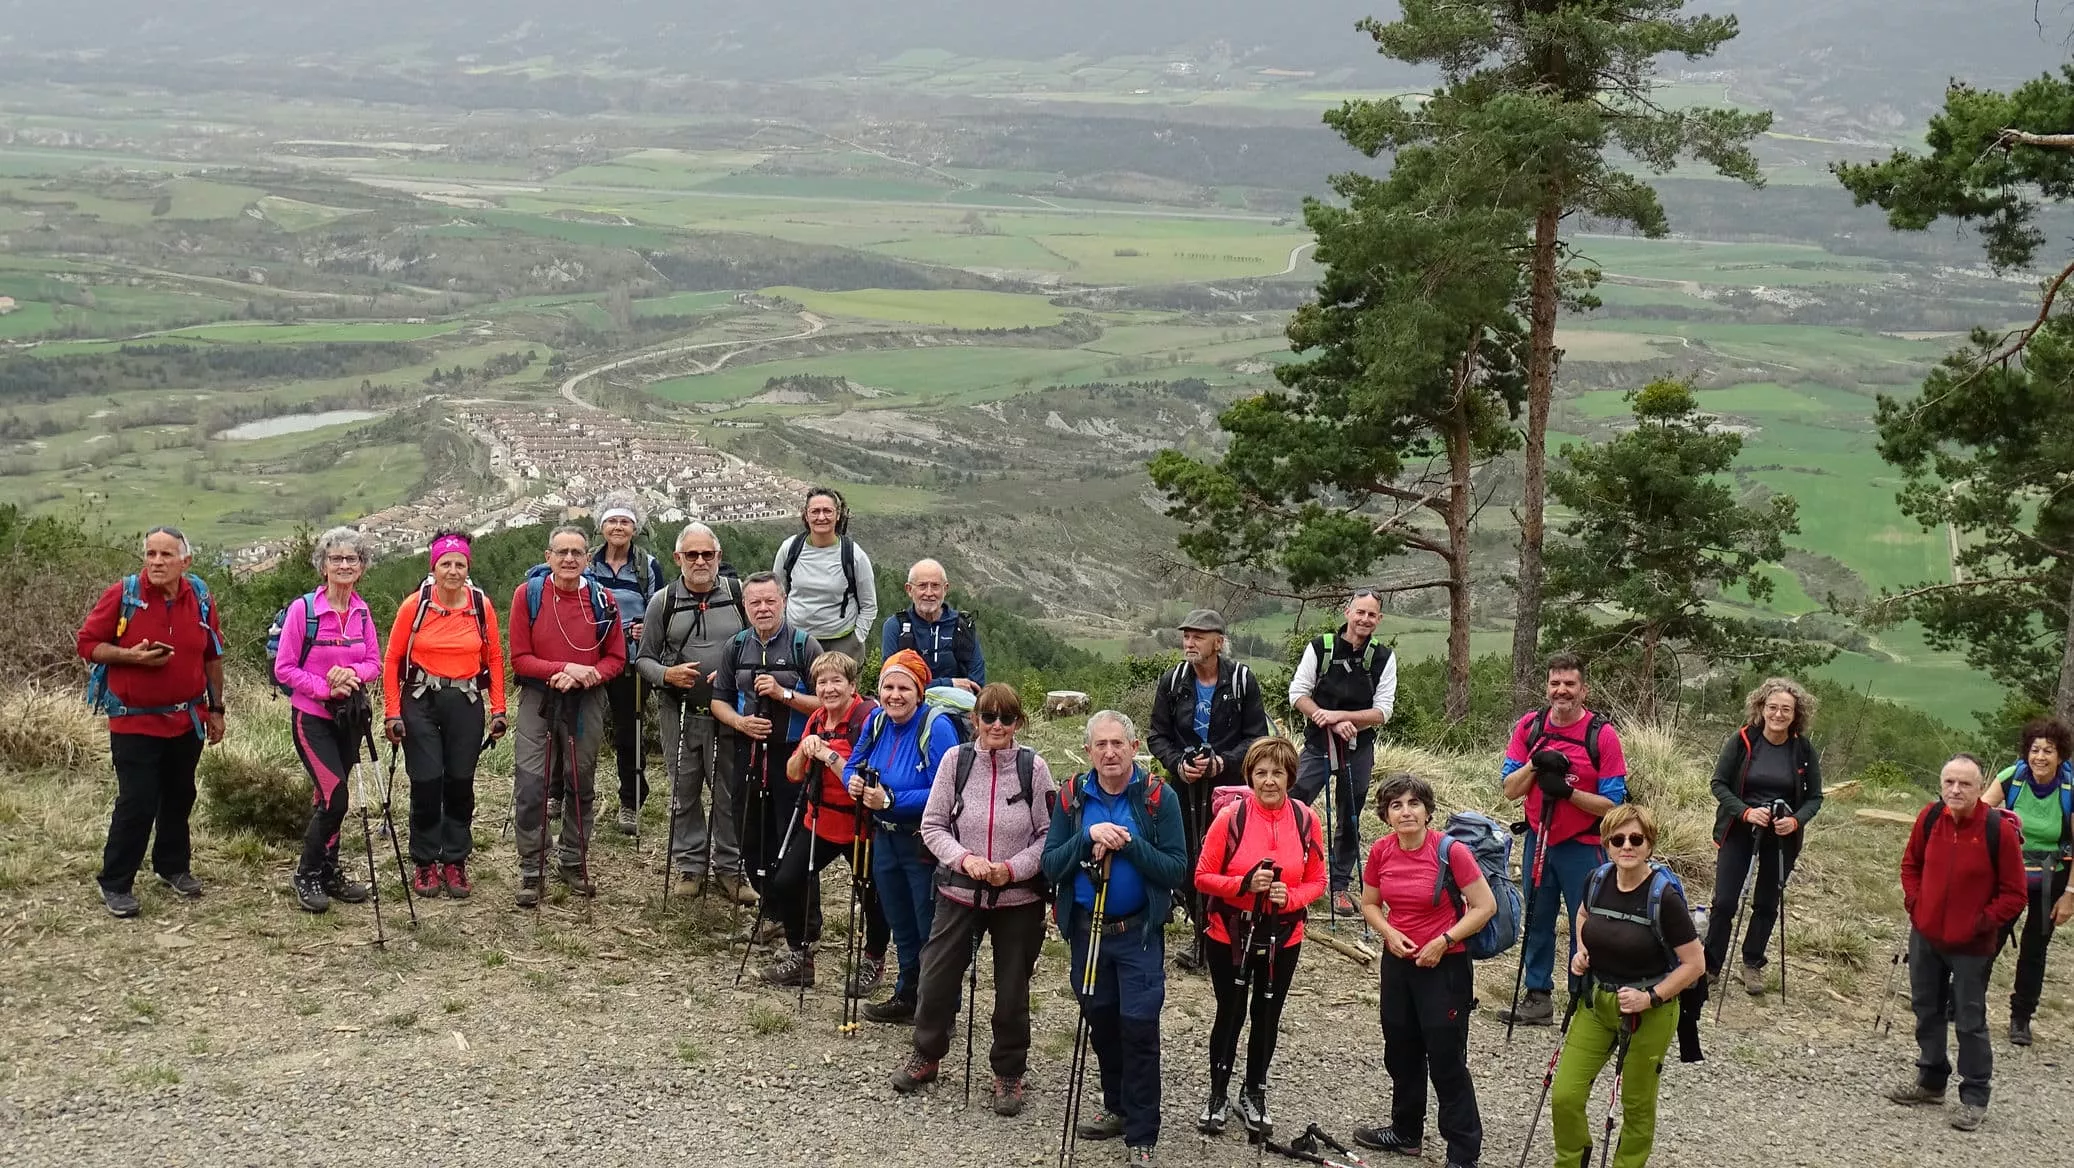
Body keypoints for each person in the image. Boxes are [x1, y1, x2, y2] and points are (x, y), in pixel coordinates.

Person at [891, 683, 1058, 1114]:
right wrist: (966, 860)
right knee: (937, 978)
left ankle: (1008, 1073)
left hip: (1018, 898)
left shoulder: (1034, 767)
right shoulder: (955, 761)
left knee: (1012, 990)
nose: (997, 725)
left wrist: (1012, 869)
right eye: (988, 716)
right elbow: (933, 826)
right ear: (975, 720)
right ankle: (926, 1055)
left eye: (1007, 717)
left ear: (1019, 722)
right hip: (958, 892)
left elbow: (1048, 835)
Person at [1044, 710, 1188, 1167]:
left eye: (1118, 744)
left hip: (1137, 933)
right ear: (1088, 751)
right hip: (1088, 932)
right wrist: (1087, 837)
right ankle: (1118, 1106)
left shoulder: (1157, 798)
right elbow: (1051, 865)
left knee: (1139, 1028)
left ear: (1133, 748)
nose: (1109, 752)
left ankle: (1142, 1133)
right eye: (1100, 745)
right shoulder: (1071, 798)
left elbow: (1176, 869)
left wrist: (1129, 843)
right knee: (1101, 1021)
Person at [77, 526, 226, 919]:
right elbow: (88, 644)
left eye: (165, 555)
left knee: (179, 796)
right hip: (134, 722)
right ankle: (115, 882)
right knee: (137, 801)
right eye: (150, 554)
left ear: (185, 562)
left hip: (187, 718)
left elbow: (212, 654)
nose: (156, 562)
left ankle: (172, 867)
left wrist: (217, 708)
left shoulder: (201, 597)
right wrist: (132, 657)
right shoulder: (124, 594)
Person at [1550, 805, 1706, 1168]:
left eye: (1636, 839)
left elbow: (1695, 964)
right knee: (1565, 1095)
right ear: (1606, 844)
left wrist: (1650, 997)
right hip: (1597, 1001)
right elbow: (1584, 914)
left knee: (1636, 1104)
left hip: (1650, 1011)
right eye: (1617, 839)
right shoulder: (1597, 879)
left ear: (1650, 845)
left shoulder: (1663, 897)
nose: (1627, 846)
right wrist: (1583, 950)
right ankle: (1571, 1161)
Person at [1352, 772, 1494, 1166]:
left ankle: (1462, 1153)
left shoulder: (1452, 852)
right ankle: (1406, 1131)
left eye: (1414, 803)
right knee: (1401, 1049)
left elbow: (1484, 906)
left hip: (1444, 966)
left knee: (1446, 1057)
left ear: (1428, 811)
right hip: (1398, 963)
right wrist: (1388, 933)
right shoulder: (1381, 851)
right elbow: (1369, 904)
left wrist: (1444, 941)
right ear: (1385, 815)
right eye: (1396, 805)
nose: (1406, 812)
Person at [1192, 737, 1326, 1140]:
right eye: (1261, 773)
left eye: (1278, 773)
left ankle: (1254, 1093)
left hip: (1283, 934)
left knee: (1267, 1015)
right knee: (1230, 1012)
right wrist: (1243, 884)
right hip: (1229, 933)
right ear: (1249, 776)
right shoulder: (1230, 818)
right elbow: (1202, 877)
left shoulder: (1305, 819)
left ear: (1290, 777)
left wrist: (1293, 896)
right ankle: (1217, 1094)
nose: (1269, 781)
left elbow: (1319, 880)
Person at [1890, 754, 2029, 1130]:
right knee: (1925, 1008)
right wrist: (1917, 906)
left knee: (1969, 1019)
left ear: (1981, 788)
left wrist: (1981, 923)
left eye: (1965, 784)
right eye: (1949, 781)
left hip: (1971, 944)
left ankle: (1974, 1096)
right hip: (1926, 934)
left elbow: (2015, 894)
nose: (1955, 789)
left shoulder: (1996, 830)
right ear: (1940, 784)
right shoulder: (1929, 818)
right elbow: (1910, 866)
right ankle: (1931, 1080)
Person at [1498, 652, 1627, 1026]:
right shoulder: (1530, 728)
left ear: (1583, 689)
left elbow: (1613, 805)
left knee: (1585, 922)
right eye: (1555, 683)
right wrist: (1536, 766)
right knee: (1538, 917)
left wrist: (1568, 793)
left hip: (1583, 847)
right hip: (1539, 839)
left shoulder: (1601, 735)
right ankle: (1537, 996)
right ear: (1547, 687)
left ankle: (1582, 997)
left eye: (1570, 684)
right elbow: (1509, 789)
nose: (1562, 691)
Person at [382, 531, 507, 902]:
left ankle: (454, 860)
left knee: (459, 782)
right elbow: (391, 659)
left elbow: (495, 658)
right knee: (426, 780)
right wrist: (392, 712)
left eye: (460, 564)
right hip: (419, 700)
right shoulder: (414, 606)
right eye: (445, 564)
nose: (452, 570)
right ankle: (424, 861)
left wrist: (499, 708)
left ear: (468, 568)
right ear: (432, 567)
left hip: (465, 701)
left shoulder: (481, 606)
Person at [508, 526, 627, 906]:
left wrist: (590, 674)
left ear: (588, 560)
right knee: (531, 784)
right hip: (538, 697)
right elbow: (519, 657)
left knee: (581, 781)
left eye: (577, 552)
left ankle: (573, 859)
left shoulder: (602, 600)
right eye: (562, 552)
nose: (569, 559)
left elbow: (616, 657)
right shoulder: (527, 596)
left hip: (585, 700)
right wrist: (565, 668)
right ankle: (532, 866)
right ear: (548, 557)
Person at [757, 651, 889, 989]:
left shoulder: (869, 719)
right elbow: (792, 774)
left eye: (836, 681)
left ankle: (874, 960)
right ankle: (801, 954)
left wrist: (829, 755)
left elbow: (865, 778)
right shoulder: (816, 719)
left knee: (871, 894)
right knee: (787, 881)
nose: (829, 688)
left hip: (861, 825)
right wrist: (803, 751)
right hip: (821, 820)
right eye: (822, 682)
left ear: (852, 685)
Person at [842, 649, 960, 1024]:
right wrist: (854, 784)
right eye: (888, 687)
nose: (894, 695)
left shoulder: (936, 727)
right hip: (884, 840)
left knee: (929, 927)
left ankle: (940, 1008)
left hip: (922, 843)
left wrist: (891, 799)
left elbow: (947, 789)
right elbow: (851, 764)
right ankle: (907, 996)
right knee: (900, 922)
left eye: (904, 687)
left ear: (919, 691)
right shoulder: (876, 721)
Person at [1147, 608, 1267, 972]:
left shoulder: (1241, 681)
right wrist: (1178, 764)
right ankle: (1199, 929)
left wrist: (1222, 763)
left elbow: (1256, 737)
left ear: (1219, 642)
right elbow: (1157, 735)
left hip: (1228, 789)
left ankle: (1224, 932)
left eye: (1198, 636)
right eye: (1186, 635)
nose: (1189, 642)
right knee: (1185, 854)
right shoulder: (1173, 680)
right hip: (1183, 787)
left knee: (1226, 858)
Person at [636, 523, 751, 900]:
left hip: (729, 713)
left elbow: (757, 649)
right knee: (684, 790)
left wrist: (738, 674)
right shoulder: (663, 602)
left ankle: (732, 869)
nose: (700, 561)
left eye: (707, 554)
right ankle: (690, 865)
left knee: (728, 792)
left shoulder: (738, 596)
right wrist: (668, 674)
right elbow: (644, 660)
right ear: (677, 559)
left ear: (719, 557)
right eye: (692, 555)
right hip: (679, 711)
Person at [274, 527, 384, 914]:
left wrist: (351, 674)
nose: (343, 565)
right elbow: (284, 668)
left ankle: (328, 871)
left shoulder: (362, 611)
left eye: (351, 559)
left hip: (347, 720)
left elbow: (374, 662)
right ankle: (307, 873)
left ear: (362, 567)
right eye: (335, 558)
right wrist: (325, 686)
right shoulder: (303, 611)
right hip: (312, 718)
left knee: (327, 798)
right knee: (336, 796)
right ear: (322, 565)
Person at [1703, 677, 1825, 995]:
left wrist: (1796, 821)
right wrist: (1745, 812)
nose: (1778, 714)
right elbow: (1718, 783)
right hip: (1739, 830)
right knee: (1726, 901)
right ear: (1761, 708)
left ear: (1796, 713)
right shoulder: (1743, 740)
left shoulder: (1803, 749)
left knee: (1767, 903)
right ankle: (1710, 966)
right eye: (1773, 707)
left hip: (1782, 835)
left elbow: (1815, 798)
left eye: (1786, 709)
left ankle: (1752, 964)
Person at [711, 571, 823, 910]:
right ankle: (771, 909)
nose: (763, 608)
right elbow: (719, 699)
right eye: (755, 602)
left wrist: (783, 693)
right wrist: (740, 723)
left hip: (792, 754)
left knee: (790, 836)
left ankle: (801, 919)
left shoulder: (804, 645)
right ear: (744, 605)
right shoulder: (736, 646)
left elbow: (829, 702)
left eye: (770, 601)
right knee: (750, 833)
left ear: (783, 602)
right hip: (748, 749)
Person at [1289, 590, 1397, 916]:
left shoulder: (1383, 657)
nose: (1364, 619)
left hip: (1358, 748)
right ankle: (1292, 874)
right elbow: (1298, 693)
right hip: (1318, 743)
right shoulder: (1320, 647)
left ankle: (1339, 886)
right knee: (1294, 804)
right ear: (1348, 611)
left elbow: (1383, 711)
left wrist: (1342, 718)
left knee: (1350, 815)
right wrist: (1326, 719)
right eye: (1360, 612)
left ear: (1379, 619)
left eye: (1372, 615)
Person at [1981, 718, 2074, 1045]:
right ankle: (1965, 1003)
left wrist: (2071, 896)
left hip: (2052, 876)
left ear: (2061, 755)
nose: (2040, 757)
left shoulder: (2070, 789)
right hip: (2009, 873)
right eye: (2035, 749)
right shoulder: (2012, 777)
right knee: (1989, 938)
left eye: (2049, 750)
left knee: (2035, 949)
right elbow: (1978, 816)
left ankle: (2021, 1019)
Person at [586, 495, 666, 837]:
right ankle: (563, 793)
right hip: (590, 657)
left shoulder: (647, 567)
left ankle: (631, 801)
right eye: (612, 521)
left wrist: (644, 628)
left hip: (631, 659)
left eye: (625, 522)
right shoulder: (588, 563)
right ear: (601, 527)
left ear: (635, 528)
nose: (618, 527)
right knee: (577, 726)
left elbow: (659, 610)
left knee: (627, 732)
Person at [773, 487, 877, 660]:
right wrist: (782, 632)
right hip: (797, 641)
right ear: (806, 515)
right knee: (796, 688)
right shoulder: (790, 549)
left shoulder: (853, 554)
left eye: (827, 511)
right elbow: (777, 593)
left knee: (837, 688)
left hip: (842, 643)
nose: (821, 517)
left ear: (838, 515)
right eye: (815, 511)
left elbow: (869, 604)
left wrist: (857, 638)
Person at [878, 558, 986, 692]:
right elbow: (891, 681)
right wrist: (949, 684)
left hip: (958, 708)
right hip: (910, 708)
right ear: (909, 589)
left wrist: (920, 685)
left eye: (935, 586)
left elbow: (976, 684)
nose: (929, 593)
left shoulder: (963, 626)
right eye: (922, 585)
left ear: (945, 589)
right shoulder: (895, 626)